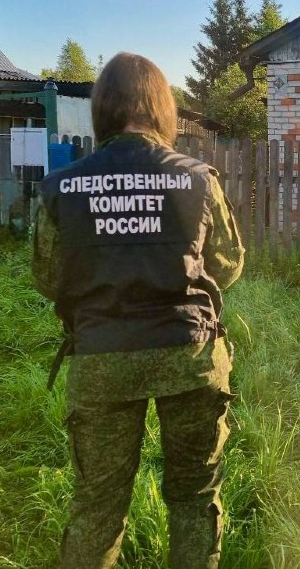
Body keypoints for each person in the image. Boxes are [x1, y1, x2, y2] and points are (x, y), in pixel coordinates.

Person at [31, 52, 245, 569]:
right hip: (190, 356)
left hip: (101, 358)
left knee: (98, 506)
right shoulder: (199, 179)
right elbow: (228, 264)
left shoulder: (62, 187)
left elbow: (49, 279)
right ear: (162, 107)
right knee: (194, 498)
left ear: (103, 108)